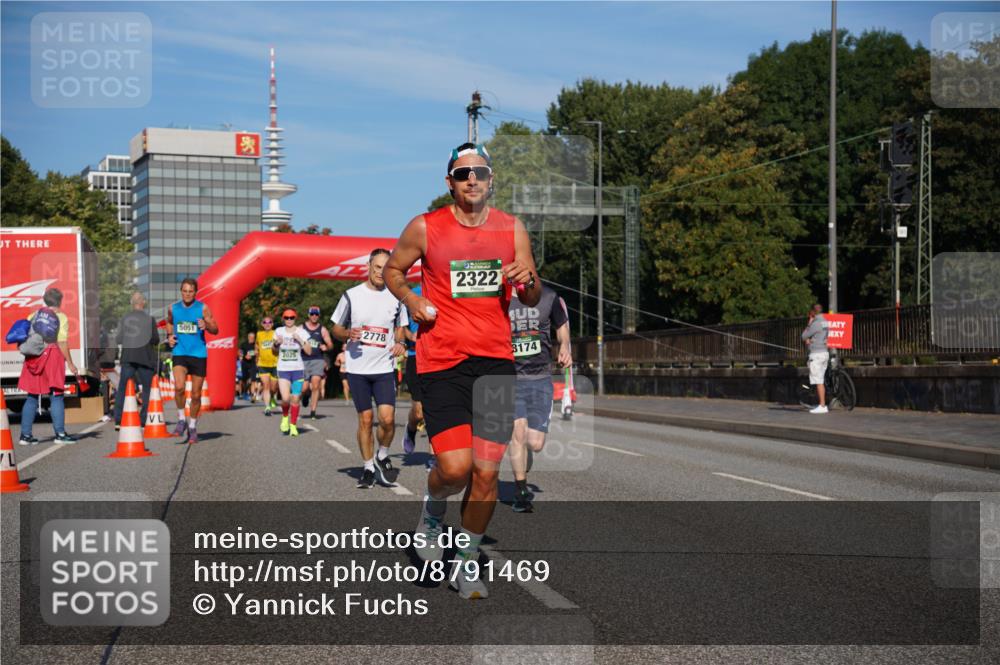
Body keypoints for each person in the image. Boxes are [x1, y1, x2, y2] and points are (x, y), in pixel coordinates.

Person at [383, 142, 541, 599]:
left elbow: (531, 294)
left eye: (480, 172)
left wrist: (528, 280)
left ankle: (467, 559)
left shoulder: (512, 229)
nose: (472, 179)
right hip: (443, 361)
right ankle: (432, 517)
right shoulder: (425, 227)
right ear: (449, 182)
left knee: (488, 474)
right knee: (455, 468)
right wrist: (412, 300)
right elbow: (394, 270)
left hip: (494, 363)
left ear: (491, 180)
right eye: (462, 172)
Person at [331, 249, 408, 489]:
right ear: (368, 266)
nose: (379, 273)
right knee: (366, 419)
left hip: (384, 367)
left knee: (387, 420)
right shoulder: (351, 296)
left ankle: (382, 455)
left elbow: (400, 327)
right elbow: (335, 329)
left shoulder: (397, 297)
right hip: (357, 368)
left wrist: (401, 343)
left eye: (384, 269)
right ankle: (367, 467)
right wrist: (347, 333)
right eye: (376, 268)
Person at [508, 284, 572, 513]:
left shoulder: (549, 296)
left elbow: (562, 325)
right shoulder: (499, 297)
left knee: (534, 443)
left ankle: (523, 459)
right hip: (510, 377)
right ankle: (521, 490)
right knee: (518, 431)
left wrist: (564, 346)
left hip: (540, 378)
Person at [17, 288, 80, 445]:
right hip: (52, 356)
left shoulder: (33, 315)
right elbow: (62, 342)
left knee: (32, 396)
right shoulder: (61, 317)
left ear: (45, 300)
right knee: (56, 395)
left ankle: (25, 436)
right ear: (60, 301)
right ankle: (59, 434)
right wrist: (71, 364)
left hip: (34, 357)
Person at [166, 278, 219, 444]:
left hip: (198, 354)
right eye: (185, 291)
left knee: (196, 395)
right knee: (179, 387)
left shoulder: (202, 308)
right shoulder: (173, 308)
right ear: (181, 291)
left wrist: (206, 325)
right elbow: (168, 322)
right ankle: (182, 420)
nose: (187, 294)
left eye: (190, 291)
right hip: (180, 352)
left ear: (195, 292)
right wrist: (169, 336)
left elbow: (216, 330)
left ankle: (193, 426)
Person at [113, 292, 160, 430]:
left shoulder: (124, 318)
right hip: (145, 357)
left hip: (128, 357)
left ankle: (118, 420)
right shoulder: (150, 319)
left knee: (122, 388)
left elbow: (118, 339)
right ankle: (143, 420)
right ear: (143, 303)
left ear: (132, 304)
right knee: (147, 389)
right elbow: (155, 340)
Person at [273, 309, 313, 437]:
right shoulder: (279, 331)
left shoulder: (302, 332)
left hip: (297, 369)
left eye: (291, 317)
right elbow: (274, 351)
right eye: (286, 317)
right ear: (283, 318)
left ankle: (293, 425)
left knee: (295, 399)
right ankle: (285, 416)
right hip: (283, 369)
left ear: (295, 318)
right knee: (285, 399)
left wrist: (300, 340)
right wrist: (276, 344)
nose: (289, 320)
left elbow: (309, 351)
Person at [402, 284, 425, 455]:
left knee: (437, 411)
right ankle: (411, 429)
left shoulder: (448, 288)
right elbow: (400, 325)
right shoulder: (411, 294)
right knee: (419, 412)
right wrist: (410, 336)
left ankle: (434, 459)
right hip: (415, 356)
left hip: (441, 356)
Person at [301, 305, 334, 420]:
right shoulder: (302, 328)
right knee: (304, 388)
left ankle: (313, 411)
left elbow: (330, 344)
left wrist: (327, 346)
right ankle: (305, 396)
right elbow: (294, 341)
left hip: (317, 360)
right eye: (312, 314)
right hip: (303, 360)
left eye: (316, 314)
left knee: (315, 386)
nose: (314, 316)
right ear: (308, 315)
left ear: (319, 316)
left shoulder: (322, 329)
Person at [802, 303, 830, 414]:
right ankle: (821, 403)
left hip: (816, 354)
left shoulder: (815, 323)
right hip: (824, 352)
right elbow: (822, 335)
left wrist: (809, 323)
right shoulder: (825, 321)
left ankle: (822, 406)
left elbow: (804, 336)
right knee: (821, 379)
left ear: (813, 312)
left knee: (818, 381)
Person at [255, 316, 279, 415]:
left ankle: (272, 397)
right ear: (262, 324)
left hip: (275, 363)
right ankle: (267, 407)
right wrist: (257, 355)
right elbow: (256, 345)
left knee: (273, 388)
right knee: (266, 385)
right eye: (265, 322)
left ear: (272, 324)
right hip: (263, 364)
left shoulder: (276, 333)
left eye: (270, 322)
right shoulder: (259, 334)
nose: (267, 324)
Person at [239, 331, 257, 401]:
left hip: (253, 364)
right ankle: (245, 391)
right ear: (248, 337)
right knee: (244, 380)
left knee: (253, 380)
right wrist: (244, 356)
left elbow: (258, 352)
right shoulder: (244, 344)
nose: (252, 339)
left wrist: (256, 354)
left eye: (253, 338)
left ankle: (253, 395)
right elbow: (240, 353)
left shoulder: (256, 344)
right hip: (245, 363)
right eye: (251, 337)